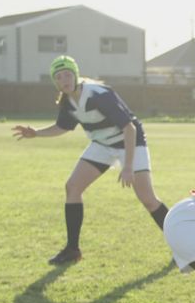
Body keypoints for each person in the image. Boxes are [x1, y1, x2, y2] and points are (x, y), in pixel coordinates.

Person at [12, 55, 168, 265]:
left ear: (75, 74)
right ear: (55, 82)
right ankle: (72, 250)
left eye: (67, 74)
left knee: (148, 199)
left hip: (130, 142)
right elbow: (63, 127)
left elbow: (128, 128)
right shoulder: (67, 101)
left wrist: (128, 166)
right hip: (102, 145)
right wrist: (36, 133)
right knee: (73, 187)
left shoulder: (98, 94)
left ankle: (186, 245)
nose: (64, 80)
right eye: (58, 77)